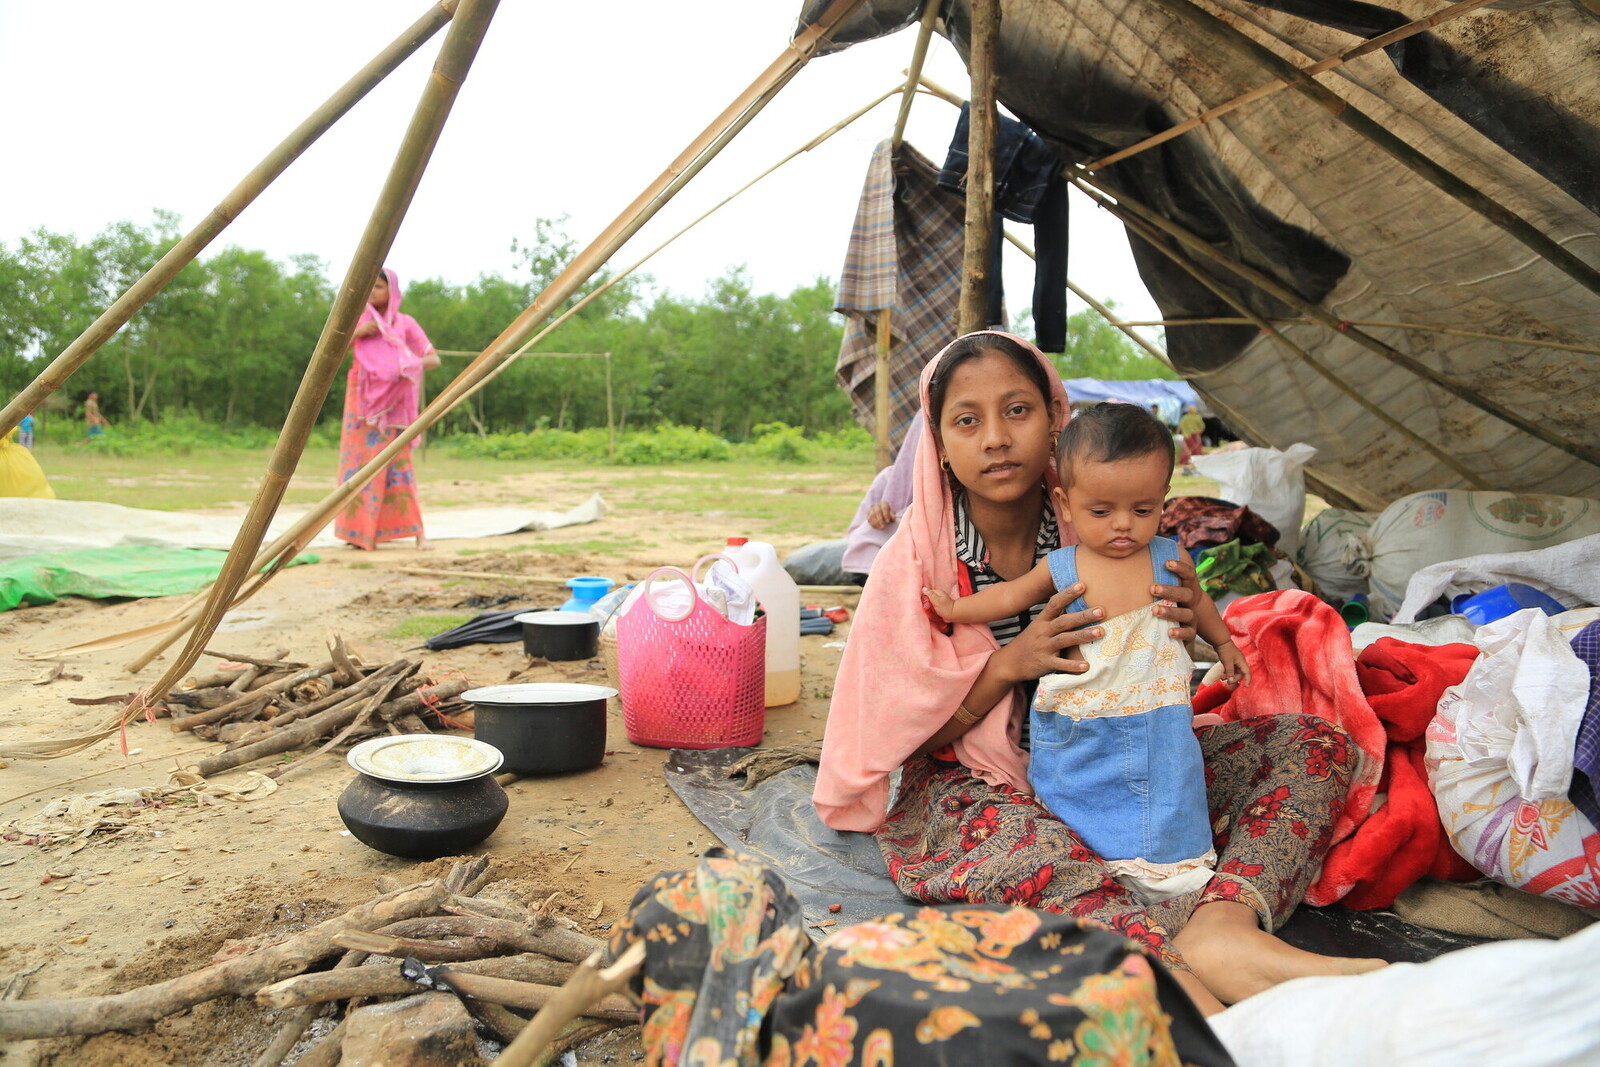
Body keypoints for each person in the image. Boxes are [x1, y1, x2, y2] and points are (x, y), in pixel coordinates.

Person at [814, 330, 1383, 1016]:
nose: (995, 437)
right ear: (937, 442)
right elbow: (904, 743)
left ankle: (1223, 927)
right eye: (968, 420)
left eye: (1017, 410)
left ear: (1056, 420)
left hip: (1124, 757)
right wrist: (1005, 667)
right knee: (1041, 855)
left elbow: (1174, 642)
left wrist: (1175, 625)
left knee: (1314, 746)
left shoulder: (1108, 520)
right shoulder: (917, 566)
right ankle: (1175, 985)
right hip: (978, 782)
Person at [923, 402, 1248, 906]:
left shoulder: (1170, 557)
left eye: (1142, 510)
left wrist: (1224, 644)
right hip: (1084, 716)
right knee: (1075, 788)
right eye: (1102, 511)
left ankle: (1168, 870)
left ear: (1164, 500)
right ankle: (1091, 861)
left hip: (1158, 711)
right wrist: (957, 607)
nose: (1123, 526)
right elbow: (1009, 597)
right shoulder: (1065, 564)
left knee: (1171, 783)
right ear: (1067, 502)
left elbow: (1199, 604)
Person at [335, 268, 439, 551]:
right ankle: (358, 535)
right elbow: (332, 348)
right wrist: (357, 332)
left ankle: (418, 534)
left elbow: (433, 359)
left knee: (397, 463)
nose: (372, 293)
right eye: (370, 287)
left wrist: (403, 366)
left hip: (395, 408)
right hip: (362, 405)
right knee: (358, 465)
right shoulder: (360, 320)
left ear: (391, 290)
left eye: (378, 287)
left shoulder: (405, 324)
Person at [1179, 403, 1205, 473]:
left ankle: (1186, 463)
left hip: (1186, 436)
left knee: (1186, 450)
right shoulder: (1198, 417)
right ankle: (1196, 464)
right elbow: (1202, 427)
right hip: (1195, 437)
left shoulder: (1185, 417)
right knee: (1196, 450)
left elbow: (1180, 426)